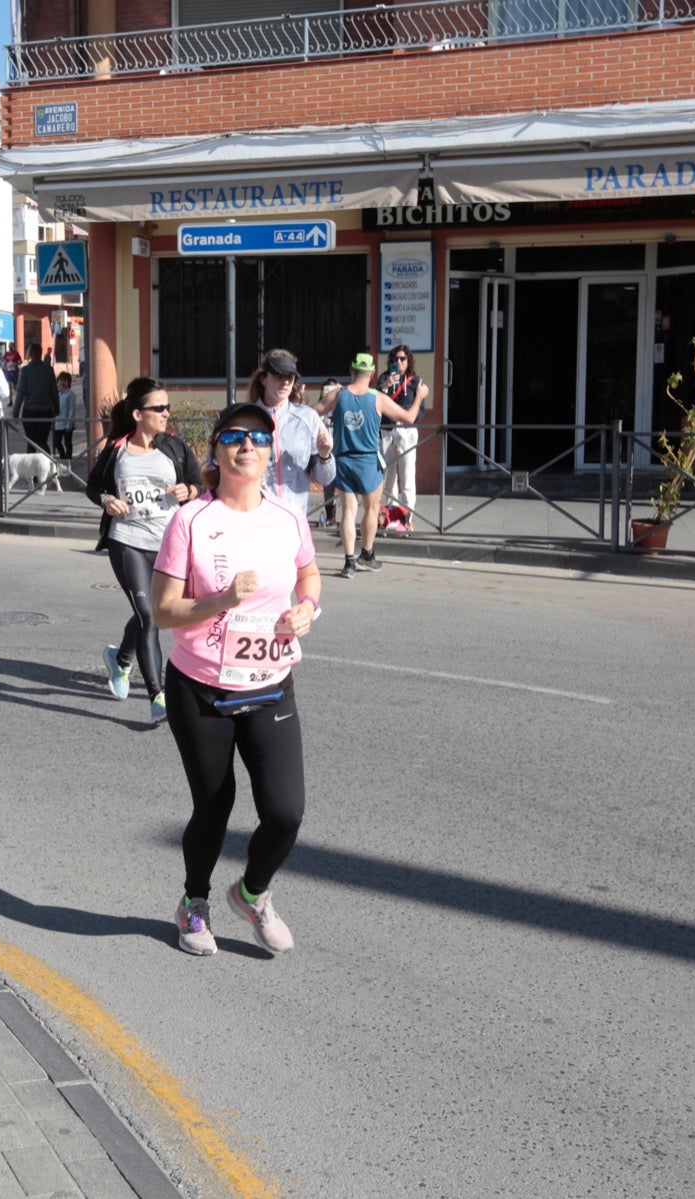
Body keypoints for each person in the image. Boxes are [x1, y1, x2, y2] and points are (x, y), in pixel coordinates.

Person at [151, 400, 321, 956]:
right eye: (234, 437)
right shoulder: (192, 520)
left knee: (285, 812)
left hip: (270, 681)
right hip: (201, 688)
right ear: (217, 450)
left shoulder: (288, 516)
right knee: (214, 805)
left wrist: (307, 608)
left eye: (258, 437)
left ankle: (252, 893)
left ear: (270, 451)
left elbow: (309, 574)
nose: (247, 445)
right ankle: (193, 903)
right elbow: (162, 610)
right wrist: (221, 599)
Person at [85, 377, 200, 724]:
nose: (166, 413)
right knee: (151, 616)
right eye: (159, 408)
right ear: (138, 414)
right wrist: (107, 501)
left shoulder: (175, 448)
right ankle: (157, 696)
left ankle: (120, 659)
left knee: (150, 611)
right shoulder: (117, 449)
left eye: (168, 407)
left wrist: (189, 491)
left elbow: (198, 483)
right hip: (128, 541)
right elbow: (94, 487)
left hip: (169, 545)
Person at [317, 352, 423, 578]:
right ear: (373, 372)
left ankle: (348, 564)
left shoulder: (338, 394)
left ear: (350, 370)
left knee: (348, 512)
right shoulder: (378, 398)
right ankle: (366, 554)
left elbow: (315, 411)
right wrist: (420, 396)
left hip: (343, 459)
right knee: (371, 509)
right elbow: (409, 417)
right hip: (367, 460)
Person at [247, 349, 336, 524]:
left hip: (294, 518)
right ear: (263, 378)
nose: (285, 381)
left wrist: (325, 455)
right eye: (279, 375)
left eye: (290, 377)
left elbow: (326, 478)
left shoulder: (307, 417)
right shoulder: (246, 417)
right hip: (255, 518)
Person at [374, 345, 429, 512]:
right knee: (389, 478)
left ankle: (407, 518)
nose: (398, 362)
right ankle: (390, 516)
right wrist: (385, 386)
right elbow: (375, 402)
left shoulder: (415, 381)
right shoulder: (384, 378)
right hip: (387, 431)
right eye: (395, 358)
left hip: (406, 431)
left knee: (407, 476)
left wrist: (409, 420)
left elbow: (421, 410)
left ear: (408, 361)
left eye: (402, 359)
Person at [14, 341, 59, 455]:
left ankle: (32, 470)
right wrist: (57, 410)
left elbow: (20, 393)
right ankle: (49, 466)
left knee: (31, 443)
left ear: (30, 354)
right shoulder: (48, 370)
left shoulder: (25, 370)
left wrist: (15, 413)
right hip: (46, 411)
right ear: (40, 354)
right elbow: (54, 391)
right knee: (43, 442)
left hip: (30, 411)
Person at [52, 370, 77, 463]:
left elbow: (72, 410)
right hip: (58, 423)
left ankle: (68, 460)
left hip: (67, 424)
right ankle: (63, 458)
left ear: (69, 382)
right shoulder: (57, 394)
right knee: (57, 442)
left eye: (65, 380)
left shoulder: (70, 394)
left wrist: (69, 425)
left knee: (67, 443)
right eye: (61, 380)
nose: (62, 382)